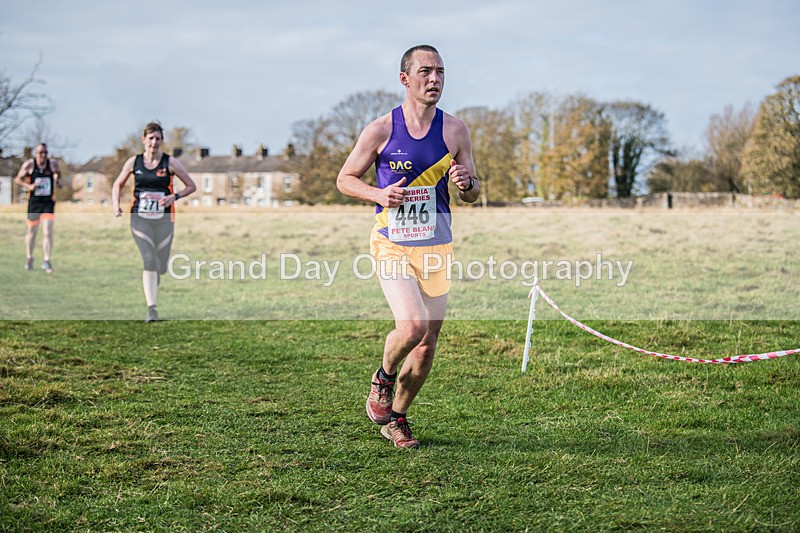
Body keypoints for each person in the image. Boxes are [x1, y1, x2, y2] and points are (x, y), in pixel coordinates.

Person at [337, 45, 480, 448]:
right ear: (405, 79)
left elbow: (472, 190)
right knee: (413, 326)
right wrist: (379, 195)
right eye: (425, 72)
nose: (434, 79)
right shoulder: (381, 129)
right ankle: (382, 376)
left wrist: (467, 184)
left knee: (427, 342)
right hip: (392, 243)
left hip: (436, 245)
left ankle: (397, 419)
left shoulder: (455, 131)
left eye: (440, 72)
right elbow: (345, 179)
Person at [112, 122, 196, 323]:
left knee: (161, 265)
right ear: (144, 140)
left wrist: (173, 197)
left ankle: (154, 280)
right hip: (139, 218)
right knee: (149, 260)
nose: (154, 143)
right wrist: (116, 206)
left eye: (158, 139)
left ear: (162, 141)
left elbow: (191, 186)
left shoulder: (171, 163)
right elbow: (118, 184)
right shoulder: (134, 162)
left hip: (165, 219)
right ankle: (152, 309)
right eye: (151, 138)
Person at [14, 143, 62, 273]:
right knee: (32, 232)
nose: (43, 155)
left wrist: (58, 181)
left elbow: (59, 176)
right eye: (40, 152)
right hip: (34, 203)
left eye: (45, 152)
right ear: (36, 153)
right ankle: (29, 257)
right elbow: (17, 179)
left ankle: (46, 261)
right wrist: (28, 186)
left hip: (48, 203)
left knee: (47, 231)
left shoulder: (52, 164)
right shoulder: (29, 165)